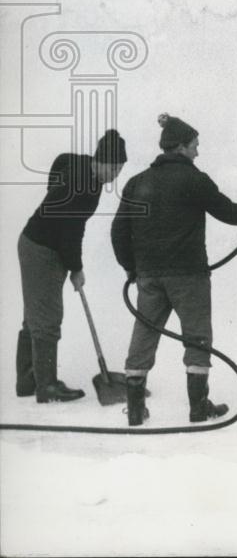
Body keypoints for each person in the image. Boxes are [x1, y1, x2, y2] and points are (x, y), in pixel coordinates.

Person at [111, 113, 237, 427]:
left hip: (149, 277)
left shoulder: (137, 182)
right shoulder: (194, 179)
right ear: (179, 147)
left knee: (144, 334)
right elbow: (230, 212)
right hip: (188, 276)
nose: (197, 152)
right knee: (197, 338)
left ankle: (135, 410)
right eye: (194, 145)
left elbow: (118, 231)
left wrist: (132, 269)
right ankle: (197, 408)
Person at [16, 129, 128, 403]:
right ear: (100, 160)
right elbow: (71, 231)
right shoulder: (84, 186)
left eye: (119, 169)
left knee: (35, 314)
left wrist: (53, 190)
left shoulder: (83, 165)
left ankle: (28, 380)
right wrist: (76, 269)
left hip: (36, 243)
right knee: (47, 318)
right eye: (112, 167)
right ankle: (47, 386)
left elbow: (61, 159)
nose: (115, 174)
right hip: (43, 249)